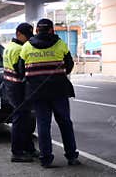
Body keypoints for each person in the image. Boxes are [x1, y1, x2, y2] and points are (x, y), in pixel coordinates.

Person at [19, 18, 80, 168]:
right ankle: (71, 157)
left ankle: (46, 159)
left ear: (37, 31)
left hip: (38, 93)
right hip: (59, 90)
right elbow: (69, 64)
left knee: (43, 125)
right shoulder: (60, 44)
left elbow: (21, 70)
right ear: (52, 30)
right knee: (65, 123)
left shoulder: (27, 46)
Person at [2, 22, 38, 162]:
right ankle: (17, 152)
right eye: (26, 36)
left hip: (10, 87)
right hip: (18, 88)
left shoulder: (9, 47)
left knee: (25, 120)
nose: (29, 39)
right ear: (18, 34)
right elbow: (22, 71)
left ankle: (29, 149)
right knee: (20, 120)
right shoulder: (19, 50)